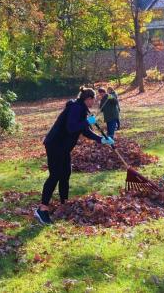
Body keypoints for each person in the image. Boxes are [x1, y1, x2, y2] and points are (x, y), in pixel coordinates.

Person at [34, 87, 114, 225]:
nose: (93, 103)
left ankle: (64, 204)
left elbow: (85, 131)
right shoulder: (75, 108)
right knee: (56, 175)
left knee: (65, 173)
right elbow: (71, 127)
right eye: (93, 100)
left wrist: (101, 139)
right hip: (55, 144)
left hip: (63, 148)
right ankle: (42, 209)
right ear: (88, 99)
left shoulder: (81, 109)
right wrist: (86, 122)